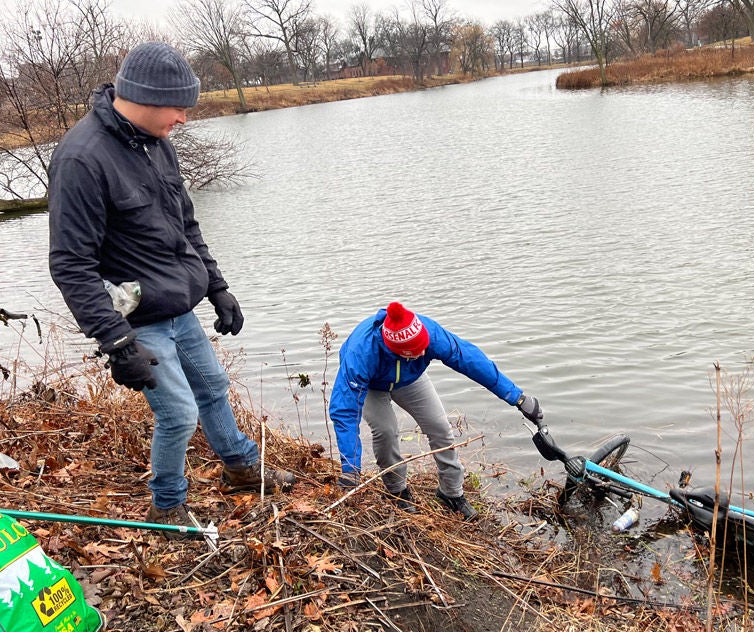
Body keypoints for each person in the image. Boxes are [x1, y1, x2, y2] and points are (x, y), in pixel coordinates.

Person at [47, 42, 294, 533]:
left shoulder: (155, 143)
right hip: (138, 320)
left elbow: (185, 224)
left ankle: (241, 467)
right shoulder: (82, 159)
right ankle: (167, 506)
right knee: (179, 412)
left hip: (179, 307)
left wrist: (217, 286)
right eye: (178, 107)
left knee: (212, 388)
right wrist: (116, 341)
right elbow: (70, 264)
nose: (183, 118)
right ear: (143, 96)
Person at [329, 301, 543, 520]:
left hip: (410, 379)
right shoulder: (362, 352)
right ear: (401, 352)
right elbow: (344, 411)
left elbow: (470, 360)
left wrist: (517, 397)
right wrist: (351, 470)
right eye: (418, 350)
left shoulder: (428, 333)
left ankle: (451, 493)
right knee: (386, 431)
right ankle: (397, 491)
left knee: (440, 427)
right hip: (371, 384)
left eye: (425, 346)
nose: (425, 351)